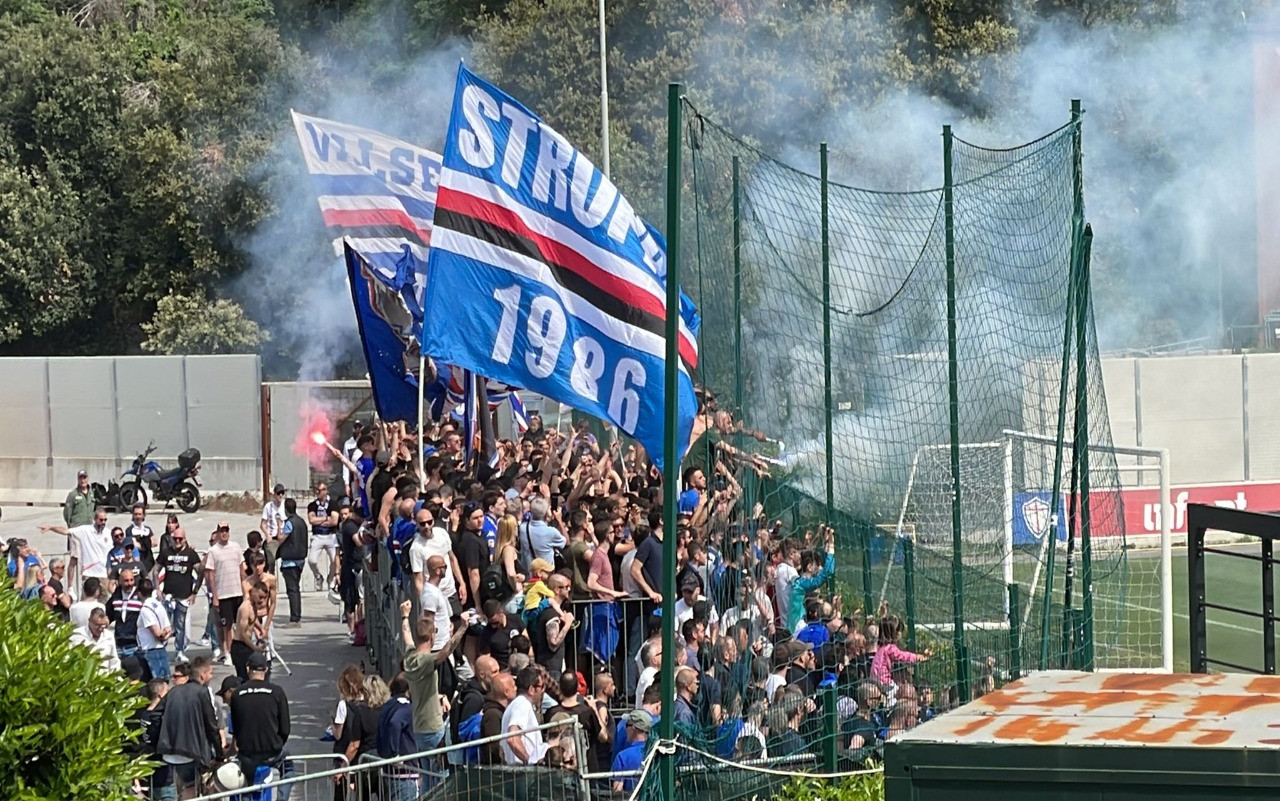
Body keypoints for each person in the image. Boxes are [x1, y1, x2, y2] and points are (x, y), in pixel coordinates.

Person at [401, 598, 466, 757]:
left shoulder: (409, 658)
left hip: (418, 727)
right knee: (439, 774)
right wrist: (463, 627)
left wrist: (405, 616)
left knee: (426, 773)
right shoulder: (427, 661)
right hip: (433, 726)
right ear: (432, 636)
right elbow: (446, 651)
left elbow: (406, 635)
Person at [156, 656, 223, 801]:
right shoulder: (201, 692)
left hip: (169, 751)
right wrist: (219, 754)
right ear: (202, 675)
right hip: (190, 752)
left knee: (182, 786)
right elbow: (211, 726)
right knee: (191, 787)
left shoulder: (174, 691)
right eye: (210, 672)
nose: (211, 676)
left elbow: (155, 714)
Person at [229, 651, 295, 798]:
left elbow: (236, 727)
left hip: (247, 753)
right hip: (272, 752)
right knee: (289, 769)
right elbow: (285, 728)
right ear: (266, 669)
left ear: (247, 669)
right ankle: (282, 798)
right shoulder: (277, 692)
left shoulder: (237, 694)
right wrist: (277, 743)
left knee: (246, 783)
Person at [158, 526, 201, 663]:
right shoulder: (166, 552)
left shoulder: (191, 554)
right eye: (175, 538)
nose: (177, 541)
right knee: (165, 624)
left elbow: (201, 572)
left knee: (180, 625)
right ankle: (162, 649)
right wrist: (157, 589)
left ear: (184, 539)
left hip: (184, 596)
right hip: (168, 596)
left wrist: (195, 592)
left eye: (180, 539)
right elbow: (155, 570)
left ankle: (180, 651)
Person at [204, 522, 244, 665]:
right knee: (226, 626)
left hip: (237, 591)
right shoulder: (213, 551)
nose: (224, 533)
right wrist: (215, 596)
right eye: (222, 530)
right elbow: (211, 575)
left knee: (239, 623)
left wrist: (246, 590)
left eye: (226, 530)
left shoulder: (236, 547)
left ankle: (240, 650)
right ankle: (227, 652)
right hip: (223, 594)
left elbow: (242, 569)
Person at [376, 673, 420, 801]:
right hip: (405, 775)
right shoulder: (406, 707)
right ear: (408, 690)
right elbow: (395, 722)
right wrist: (395, 755)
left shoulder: (387, 706)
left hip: (388, 772)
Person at [501, 666, 549, 765]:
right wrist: (529, 760)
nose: (543, 691)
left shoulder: (515, 705)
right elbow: (512, 738)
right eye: (542, 686)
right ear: (531, 689)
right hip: (522, 772)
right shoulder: (522, 704)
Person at [871, 614, 931, 689]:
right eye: (900, 631)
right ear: (895, 633)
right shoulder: (890, 648)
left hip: (874, 679)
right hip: (884, 681)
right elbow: (903, 656)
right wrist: (918, 657)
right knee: (898, 693)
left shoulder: (881, 647)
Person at [277, 497, 309, 626]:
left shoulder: (290, 523)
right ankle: (296, 615)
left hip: (290, 561)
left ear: (286, 510)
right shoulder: (302, 522)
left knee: (292, 590)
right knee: (296, 588)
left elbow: (281, 539)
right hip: (300, 559)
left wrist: (280, 528)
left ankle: (295, 618)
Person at [107, 566, 144, 673]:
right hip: (119, 643)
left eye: (131, 580)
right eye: (126, 581)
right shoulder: (116, 596)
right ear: (119, 581)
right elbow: (107, 615)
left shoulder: (139, 595)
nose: (129, 583)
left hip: (134, 644)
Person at [136, 577, 173, 680]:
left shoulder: (145, 609)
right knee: (163, 681)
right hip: (161, 649)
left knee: (155, 685)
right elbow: (168, 628)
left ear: (139, 593)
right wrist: (165, 635)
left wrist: (162, 635)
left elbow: (157, 633)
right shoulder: (158, 605)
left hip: (150, 651)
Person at [231, 586, 271, 681]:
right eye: (260, 597)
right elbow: (242, 633)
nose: (262, 600)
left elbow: (253, 619)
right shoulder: (245, 608)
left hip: (247, 646)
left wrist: (261, 629)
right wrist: (254, 647)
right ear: (253, 592)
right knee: (244, 678)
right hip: (240, 646)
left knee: (252, 676)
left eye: (264, 597)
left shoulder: (253, 606)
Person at [307, 481, 339, 592]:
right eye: (316, 489)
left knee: (335, 560)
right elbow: (311, 520)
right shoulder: (312, 505)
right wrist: (326, 519)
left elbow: (334, 521)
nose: (317, 492)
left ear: (325, 491)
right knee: (312, 560)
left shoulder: (333, 504)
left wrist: (319, 521)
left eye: (319, 490)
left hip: (331, 535)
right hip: (317, 535)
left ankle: (330, 578)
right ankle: (318, 576)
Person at [611, 710, 652, 793]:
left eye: (626, 725)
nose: (625, 729)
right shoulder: (656, 752)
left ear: (633, 728)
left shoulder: (623, 756)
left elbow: (617, 789)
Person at [70, 606, 120, 672]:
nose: (100, 629)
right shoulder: (77, 634)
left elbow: (114, 661)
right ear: (89, 621)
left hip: (103, 678)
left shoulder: (109, 636)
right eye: (97, 625)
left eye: (103, 625)